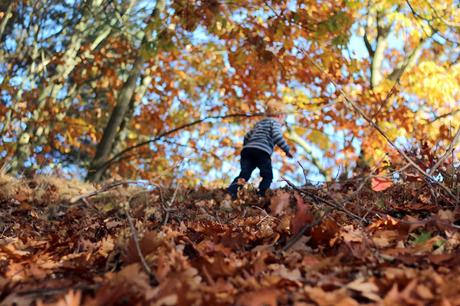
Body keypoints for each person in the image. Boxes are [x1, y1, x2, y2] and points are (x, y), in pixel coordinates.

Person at [227, 102, 293, 199]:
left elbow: (247, 136)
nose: (283, 123)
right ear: (280, 116)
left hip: (247, 151)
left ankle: (230, 194)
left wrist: (248, 146)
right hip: (262, 152)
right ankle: (261, 196)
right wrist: (287, 150)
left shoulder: (259, 124)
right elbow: (277, 136)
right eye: (284, 121)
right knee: (267, 176)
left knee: (244, 174)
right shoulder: (275, 123)